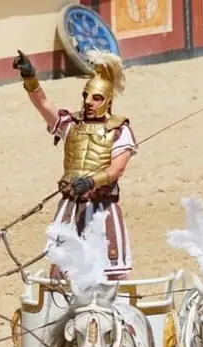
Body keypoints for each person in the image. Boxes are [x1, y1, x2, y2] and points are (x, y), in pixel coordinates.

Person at [12, 48, 137, 280]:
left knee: (112, 276)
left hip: (102, 209)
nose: (89, 102)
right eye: (86, 96)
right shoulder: (71, 123)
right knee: (60, 272)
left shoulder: (120, 130)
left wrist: (90, 181)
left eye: (96, 98)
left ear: (108, 101)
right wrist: (30, 79)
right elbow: (44, 105)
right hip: (71, 207)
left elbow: (116, 169)